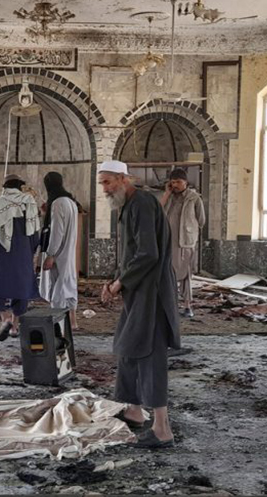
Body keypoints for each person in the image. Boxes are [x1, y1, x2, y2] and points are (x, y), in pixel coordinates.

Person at [98, 160, 180, 449]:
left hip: (152, 291)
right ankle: (133, 409)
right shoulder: (129, 205)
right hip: (138, 289)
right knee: (129, 344)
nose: (105, 189)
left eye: (108, 182)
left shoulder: (142, 203)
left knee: (149, 352)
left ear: (123, 179)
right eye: (102, 183)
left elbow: (148, 254)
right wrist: (115, 279)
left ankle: (162, 429)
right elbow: (130, 252)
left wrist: (120, 283)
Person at [0, 174, 40, 341]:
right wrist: (33, 251)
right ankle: (15, 326)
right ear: (19, 187)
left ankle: (5, 319)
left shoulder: (1, 202)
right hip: (23, 252)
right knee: (21, 289)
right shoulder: (29, 202)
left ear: (5, 187)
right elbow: (35, 231)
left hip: (3, 253)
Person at [160, 168, 205, 318]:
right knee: (169, 272)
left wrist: (189, 229)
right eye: (173, 182)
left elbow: (201, 220)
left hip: (186, 242)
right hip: (169, 241)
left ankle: (187, 306)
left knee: (186, 273)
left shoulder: (194, 198)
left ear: (185, 182)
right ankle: (171, 305)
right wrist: (167, 193)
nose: (175, 185)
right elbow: (158, 212)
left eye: (178, 182)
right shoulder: (169, 197)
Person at [38, 172, 79, 330]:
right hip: (68, 251)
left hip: (58, 254)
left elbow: (56, 232)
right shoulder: (70, 202)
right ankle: (73, 322)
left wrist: (51, 255)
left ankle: (59, 327)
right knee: (69, 286)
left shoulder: (57, 203)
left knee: (57, 290)